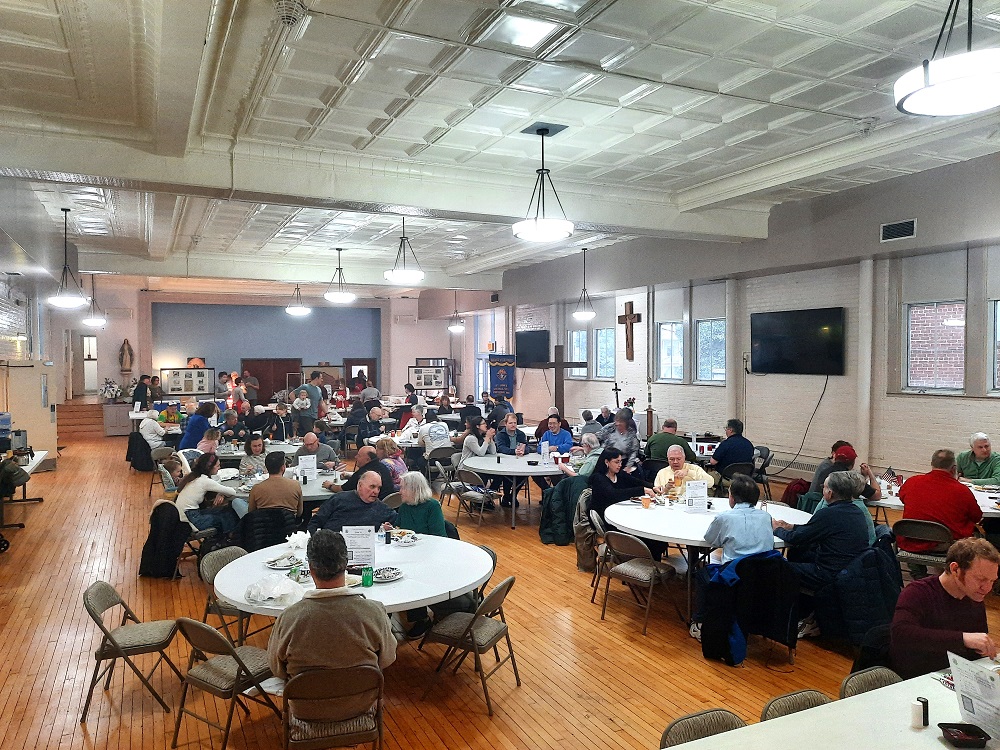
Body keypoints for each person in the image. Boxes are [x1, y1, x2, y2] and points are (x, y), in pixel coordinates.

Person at [267, 530, 396, 698]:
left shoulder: (289, 618)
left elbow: (276, 669)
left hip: (306, 706)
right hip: (361, 702)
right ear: (346, 564)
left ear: (310, 568)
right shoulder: (374, 612)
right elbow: (388, 658)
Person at [889, 537, 999, 679]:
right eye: (980, 579)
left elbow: (974, 648)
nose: (987, 588)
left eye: (992, 581)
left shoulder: (973, 595)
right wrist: (963, 639)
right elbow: (900, 634)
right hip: (918, 678)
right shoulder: (917, 592)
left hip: (957, 675)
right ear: (955, 569)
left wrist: (983, 648)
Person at [772, 470, 870, 619]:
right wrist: (791, 526)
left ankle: (784, 613)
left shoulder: (829, 514)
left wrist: (777, 529)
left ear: (830, 493)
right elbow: (814, 530)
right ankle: (804, 606)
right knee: (797, 553)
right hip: (851, 569)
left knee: (776, 567)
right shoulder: (856, 511)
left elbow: (797, 539)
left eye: (823, 487)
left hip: (829, 573)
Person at [689, 474, 775, 641]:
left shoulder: (725, 517)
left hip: (733, 576)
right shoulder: (766, 517)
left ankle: (699, 622)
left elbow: (710, 540)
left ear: (732, 498)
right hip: (763, 574)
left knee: (701, 574)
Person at [897, 449, 983, 553]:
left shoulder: (911, 482)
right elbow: (976, 517)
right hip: (948, 547)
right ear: (953, 469)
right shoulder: (962, 491)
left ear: (932, 464)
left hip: (910, 542)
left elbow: (902, 498)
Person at [308, 471, 397, 533]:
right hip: (332, 547)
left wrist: (390, 528)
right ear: (360, 485)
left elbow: (398, 526)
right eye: (372, 487)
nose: (376, 491)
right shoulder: (338, 499)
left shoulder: (383, 509)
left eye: (379, 488)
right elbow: (315, 522)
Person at [586, 447, 655, 524]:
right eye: (617, 462)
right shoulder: (598, 478)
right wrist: (642, 490)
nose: (620, 465)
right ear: (606, 462)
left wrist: (653, 487)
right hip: (604, 517)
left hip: (618, 512)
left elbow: (635, 481)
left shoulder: (619, 474)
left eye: (620, 462)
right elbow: (614, 494)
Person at [174, 452, 238, 534]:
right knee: (226, 516)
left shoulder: (193, 476)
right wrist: (221, 493)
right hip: (191, 519)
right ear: (210, 467)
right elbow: (232, 492)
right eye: (218, 466)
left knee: (224, 511)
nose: (219, 468)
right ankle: (230, 537)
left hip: (186, 515)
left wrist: (221, 493)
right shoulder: (204, 481)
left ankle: (226, 537)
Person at [809, 444, 881, 503]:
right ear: (853, 462)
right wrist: (870, 474)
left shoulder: (824, 471)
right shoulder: (851, 478)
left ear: (835, 458)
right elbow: (876, 496)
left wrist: (863, 476)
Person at [325, 447, 394, 500]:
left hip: (371, 506)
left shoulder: (364, 471)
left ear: (367, 459)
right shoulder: (381, 466)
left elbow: (342, 489)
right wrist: (350, 476)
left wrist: (330, 485)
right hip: (387, 502)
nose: (355, 457)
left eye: (359, 455)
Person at [248, 451, 303, 516]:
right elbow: (299, 512)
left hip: (264, 521)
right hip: (288, 521)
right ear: (283, 468)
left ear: (266, 468)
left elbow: (251, 512)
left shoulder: (256, 489)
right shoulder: (295, 485)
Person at [395, 472, 446, 537]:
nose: (400, 492)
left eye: (403, 488)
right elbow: (398, 528)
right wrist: (391, 529)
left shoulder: (432, 506)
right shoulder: (404, 506)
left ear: (414, 489)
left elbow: (439, 536)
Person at [298, 371, 324, 436]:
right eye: (321, 378)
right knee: (310, 434)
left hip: (315, 415)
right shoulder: (305, 387)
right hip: (305, 415)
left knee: (317, 434)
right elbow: (292, 395)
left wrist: (327, 413)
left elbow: (321, 402)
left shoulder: (319, 389)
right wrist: (298, 404)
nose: (322, 380)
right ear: (316, 378)